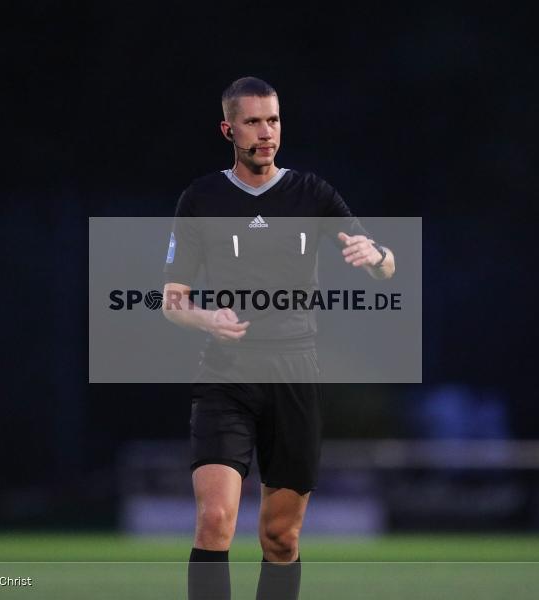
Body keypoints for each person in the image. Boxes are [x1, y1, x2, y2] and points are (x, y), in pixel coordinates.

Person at [162, 76, 395, 600]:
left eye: (273, 120)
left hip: (294, 375)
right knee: (215, 520)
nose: (266, 132)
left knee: (280, 537)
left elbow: (386, 265)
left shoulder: (312, 193)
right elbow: (172, 300)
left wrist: (376, 256)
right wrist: (208, 320)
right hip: (225, 375)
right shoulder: (201, 198)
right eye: (253, 122)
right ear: (228, 130)